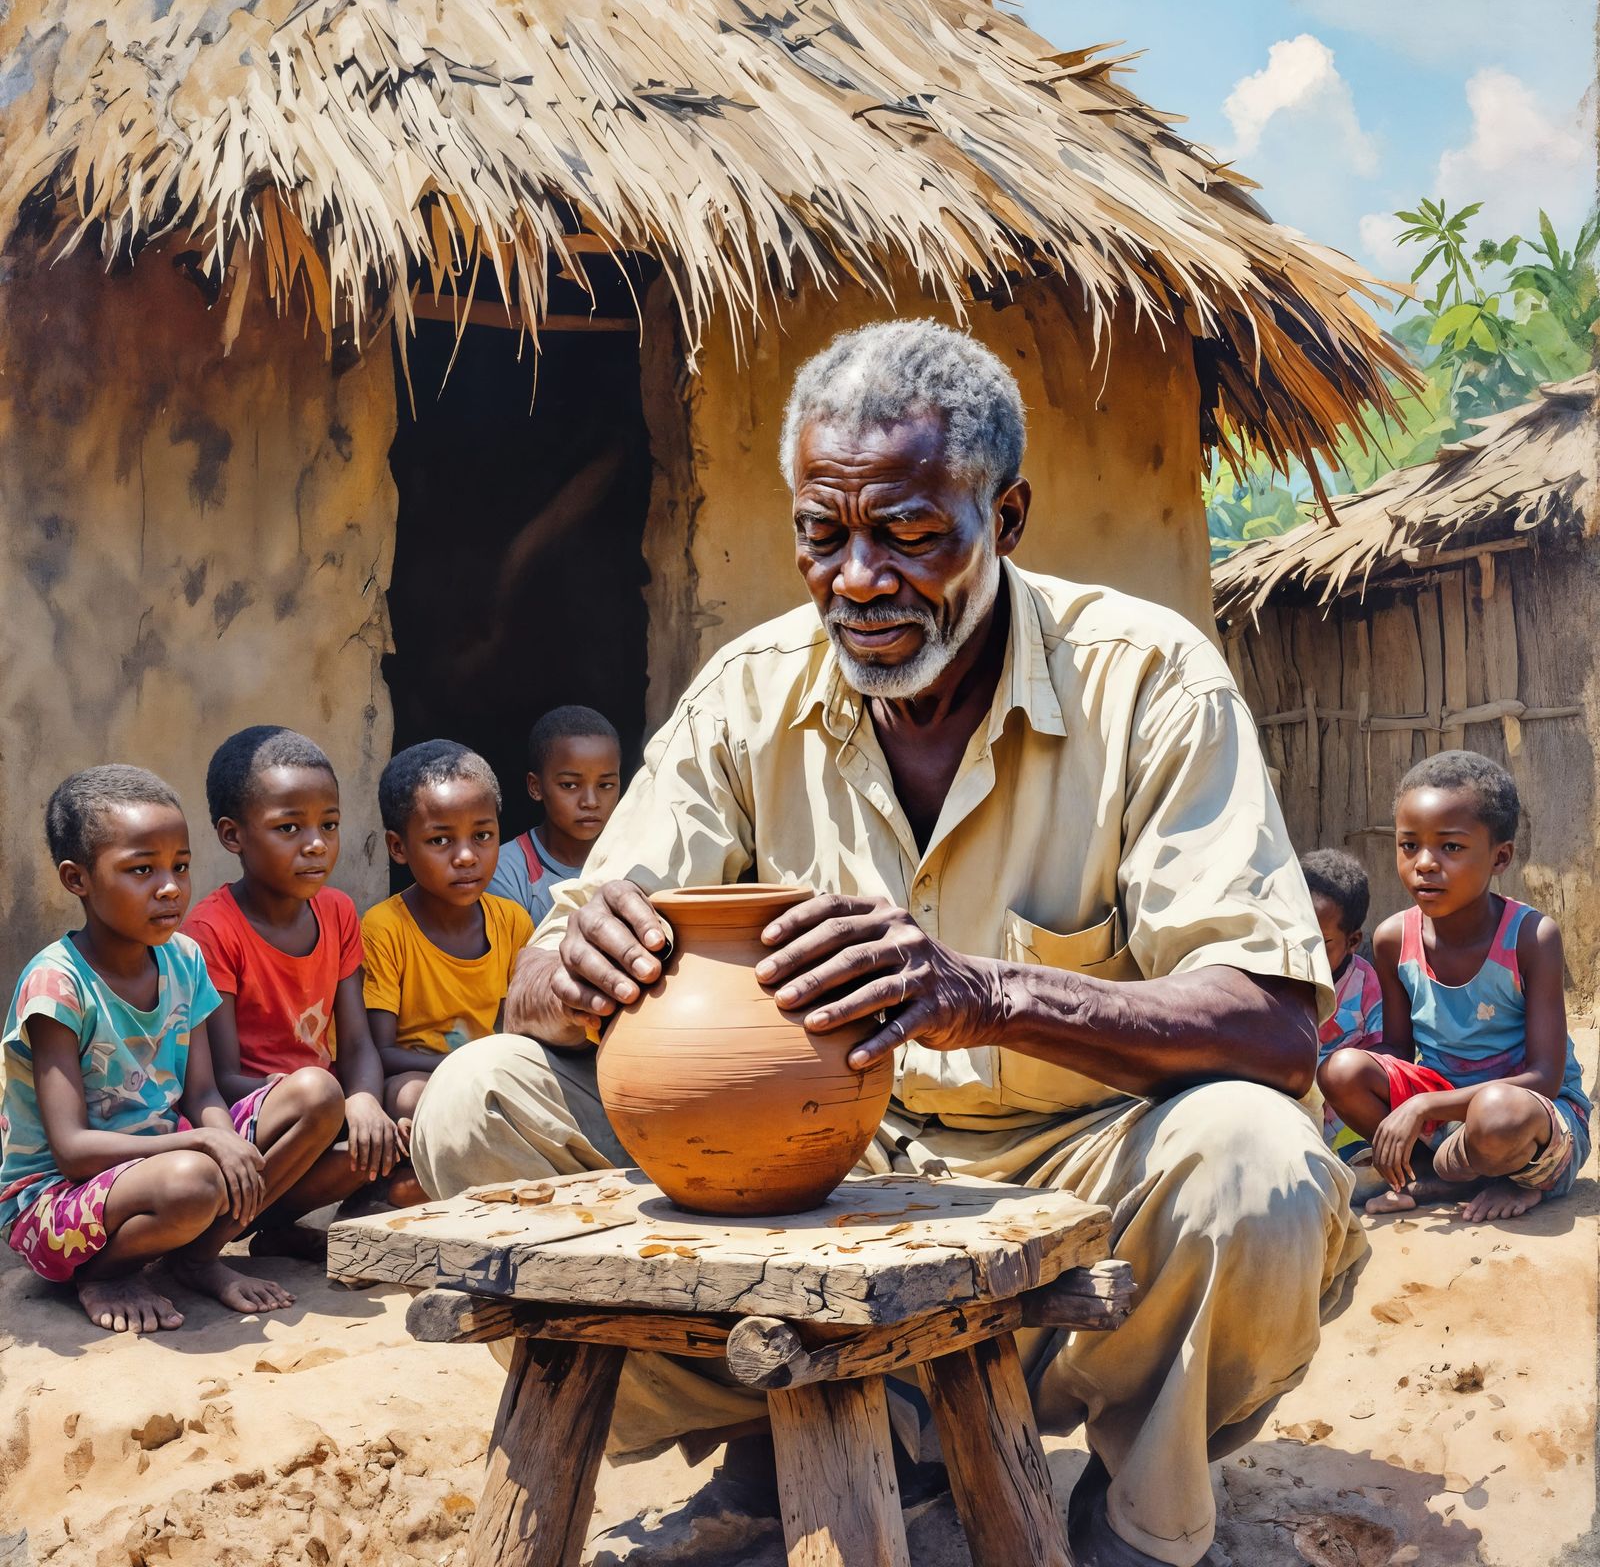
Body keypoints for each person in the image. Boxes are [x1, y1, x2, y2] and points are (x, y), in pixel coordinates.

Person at [409, 320, 1361, 1567]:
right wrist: (572, 974)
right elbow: (538, 976)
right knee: (476, 1102)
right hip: (810, 1187)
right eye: (822, 533)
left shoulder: (1148, 683)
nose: (857, 579)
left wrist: (988, 993)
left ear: (1004, 517)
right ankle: (772, 1431)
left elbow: (1276, 1028)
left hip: (1079, 1181)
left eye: (908, 534)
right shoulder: (747, 695)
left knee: (1258, 1166)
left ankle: (1139, 1515)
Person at [0, 766, 345, 1333]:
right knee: (193, 1180)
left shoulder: (184, 958)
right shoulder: (57, 984)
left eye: (179, 866)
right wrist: (204, 1142)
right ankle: (106, 1274)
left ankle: (198, 1257)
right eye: (142, 870)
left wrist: (227, 1143)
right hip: (56, 1202)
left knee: (318, 1093)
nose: (169, 888)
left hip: (165, 1163)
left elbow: (202, 1091)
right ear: (76, 878)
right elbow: (72, 1150)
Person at [1320, 751, 1590, 1222]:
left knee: (1497, 1112)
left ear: (1500, 856)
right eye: (1409, 845)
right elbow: (1399, 1049)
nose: (1425, 863)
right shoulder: (1393, 939)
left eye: (1451, 847)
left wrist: (1424, 1106)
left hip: (1533, 1118)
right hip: (1447, 1110)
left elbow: (1545, 1076)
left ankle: (1510, 1177)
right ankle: (1434, 1175)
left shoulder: (1531, 937)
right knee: (1341, 1071)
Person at [183, 727, 406, 1247]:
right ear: (233, 836)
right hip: (252, 1120)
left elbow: (357, 1044)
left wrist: (364, 1102)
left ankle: (278, 1227)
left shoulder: (338, 911)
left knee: (407, 1114)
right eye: (289, 828)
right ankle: (210, 1243)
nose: (316, 844)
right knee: (320, 1093)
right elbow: (222, 1077)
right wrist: (331, 1105)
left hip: (320, 1108)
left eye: (329, 824)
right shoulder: (211, 932)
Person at [362, 741, 532, 1175]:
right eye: (440, 840)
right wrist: (459, 1066)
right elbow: (380, 1051)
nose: (467, 856)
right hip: (419, 1076)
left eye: (483, 836)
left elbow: (516, 1030)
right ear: (398, 847)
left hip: (489, 1076)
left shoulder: (511, 921)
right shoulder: (385, 928)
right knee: (412, 1097)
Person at [487, 706, 622, 926]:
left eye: (606, 785)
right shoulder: (504, 872)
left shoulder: (635, 859)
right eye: (569, 785)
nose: (590, 802)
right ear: (535, 787)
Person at [1301, 848, 1382, 1147]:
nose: (1304, 951)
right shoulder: (1278, 976)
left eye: (1320, 942)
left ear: (1353, 941)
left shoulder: (1365, 984)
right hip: (1292, 1112)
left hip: (1347, 1121)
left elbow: (1381, 1058)